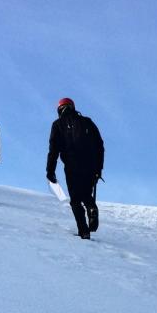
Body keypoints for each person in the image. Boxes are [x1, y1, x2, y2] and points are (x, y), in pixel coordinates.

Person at [46, 98, 104, 239]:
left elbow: (53, 150)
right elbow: (100, 146)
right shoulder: (87, 122)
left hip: (72, 165)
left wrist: (50, 171)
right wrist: (98, 169)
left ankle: (84, 232)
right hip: (90, 165)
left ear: (60, 109)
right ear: (72, 107)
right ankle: (91, 208)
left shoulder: (58, 124)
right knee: (85, 193)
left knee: (75, 199)